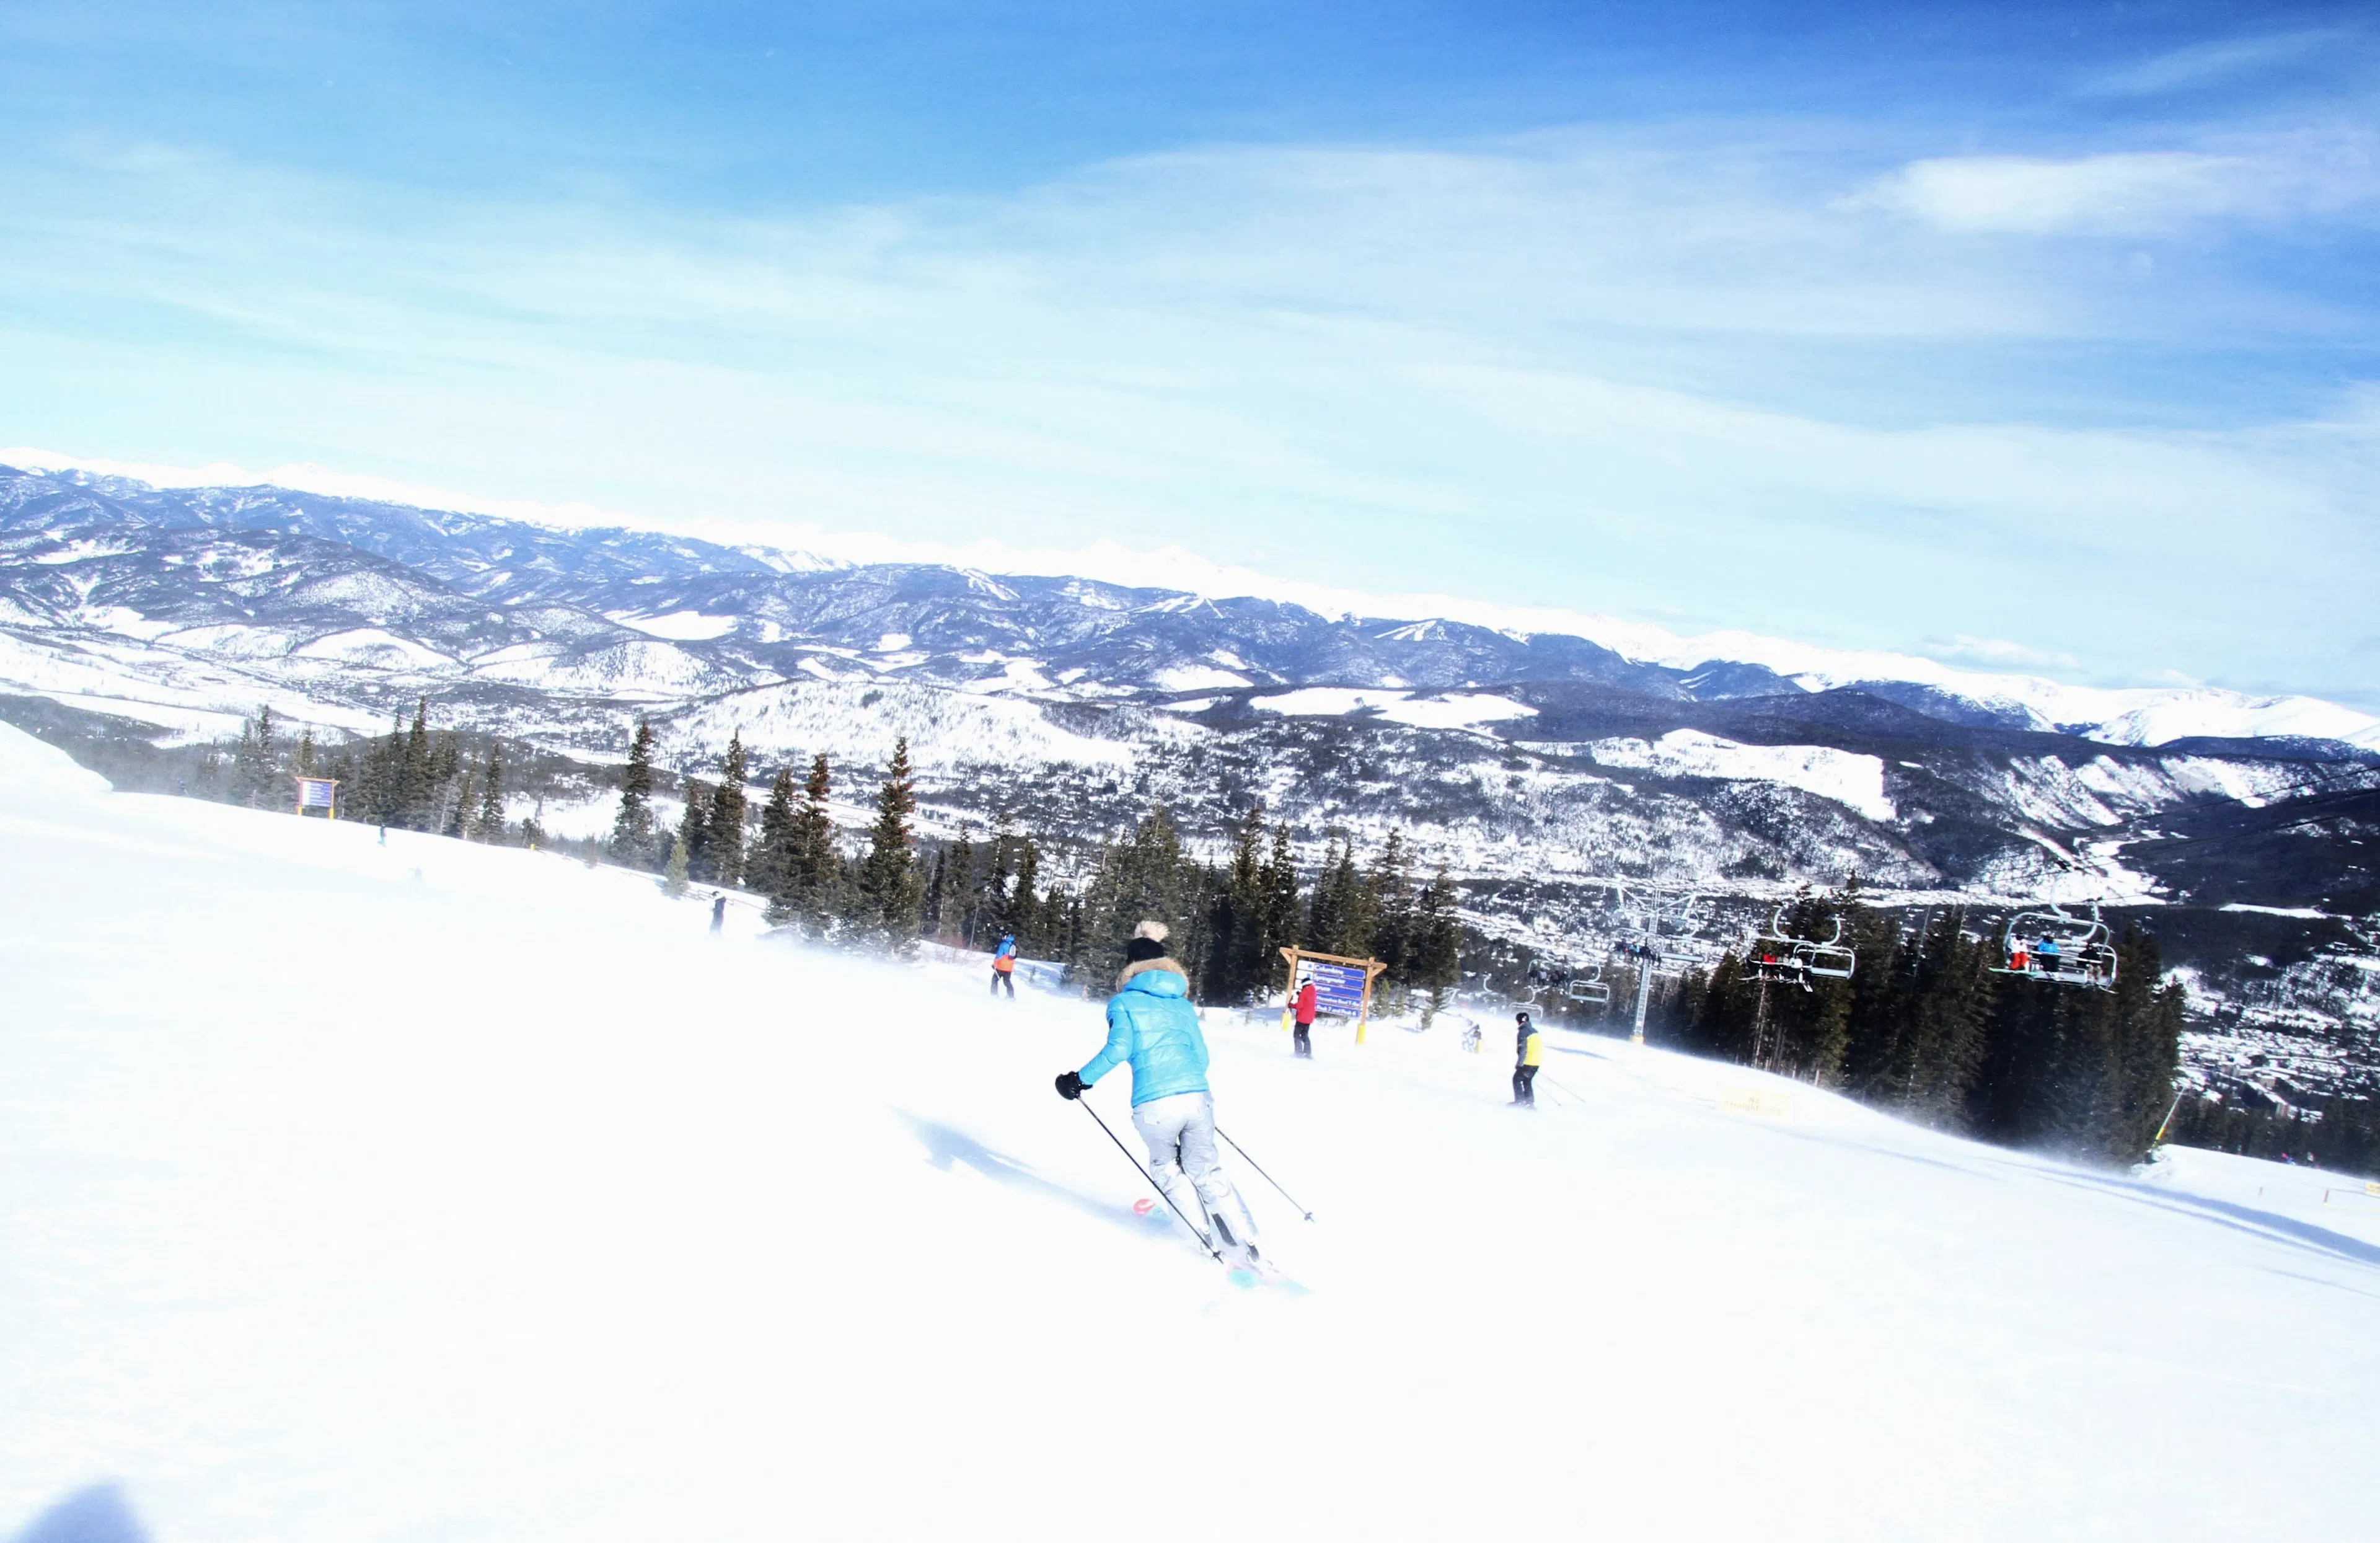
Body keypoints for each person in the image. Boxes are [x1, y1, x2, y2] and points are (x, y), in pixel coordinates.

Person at [1055, 920, 1261, 1267]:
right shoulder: (1182, 1005)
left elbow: (1120, 1048)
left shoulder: (1124, 1003)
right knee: (1206, 1169)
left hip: (1154, 1104)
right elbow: (1203, 1057)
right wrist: (1186, 1084)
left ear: (1130, 968)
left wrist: (1079, 1080)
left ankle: (1202, 1241)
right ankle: (1248, 1240)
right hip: (1196, 1097)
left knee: (1167, 1168)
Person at [1512, 1009, 1543, 1108]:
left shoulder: (1523, 1032)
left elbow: (1523, 1049)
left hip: (1527, 1062)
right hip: (1536, 1062)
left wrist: (1519, 1064)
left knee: (1516, 1079)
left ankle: (1520, 1101)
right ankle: (1530, 1102)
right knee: (1527, 1080)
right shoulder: (1534, 1031)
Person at [1291, 978, 1319, 1058]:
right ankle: (1308, 1053)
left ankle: (1298, 1052)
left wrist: (1292, 1006)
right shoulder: (1313, 991)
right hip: (1309, 1018)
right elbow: (1307, 1000)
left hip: (1302, 1017)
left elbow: (1300, 1005)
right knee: (1305, 1035)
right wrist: (1300, 995)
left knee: (1297, 1034)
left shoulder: (1304, 993)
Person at [991, 933, 1017, 998]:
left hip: (1001, 967)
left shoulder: (1003, 945)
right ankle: (1011, 996)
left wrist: (995, 964)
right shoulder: (1013, 945)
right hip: (1009, 968)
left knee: (995, 980)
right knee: (1007, 982)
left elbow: (999, 955)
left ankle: (994, 995)